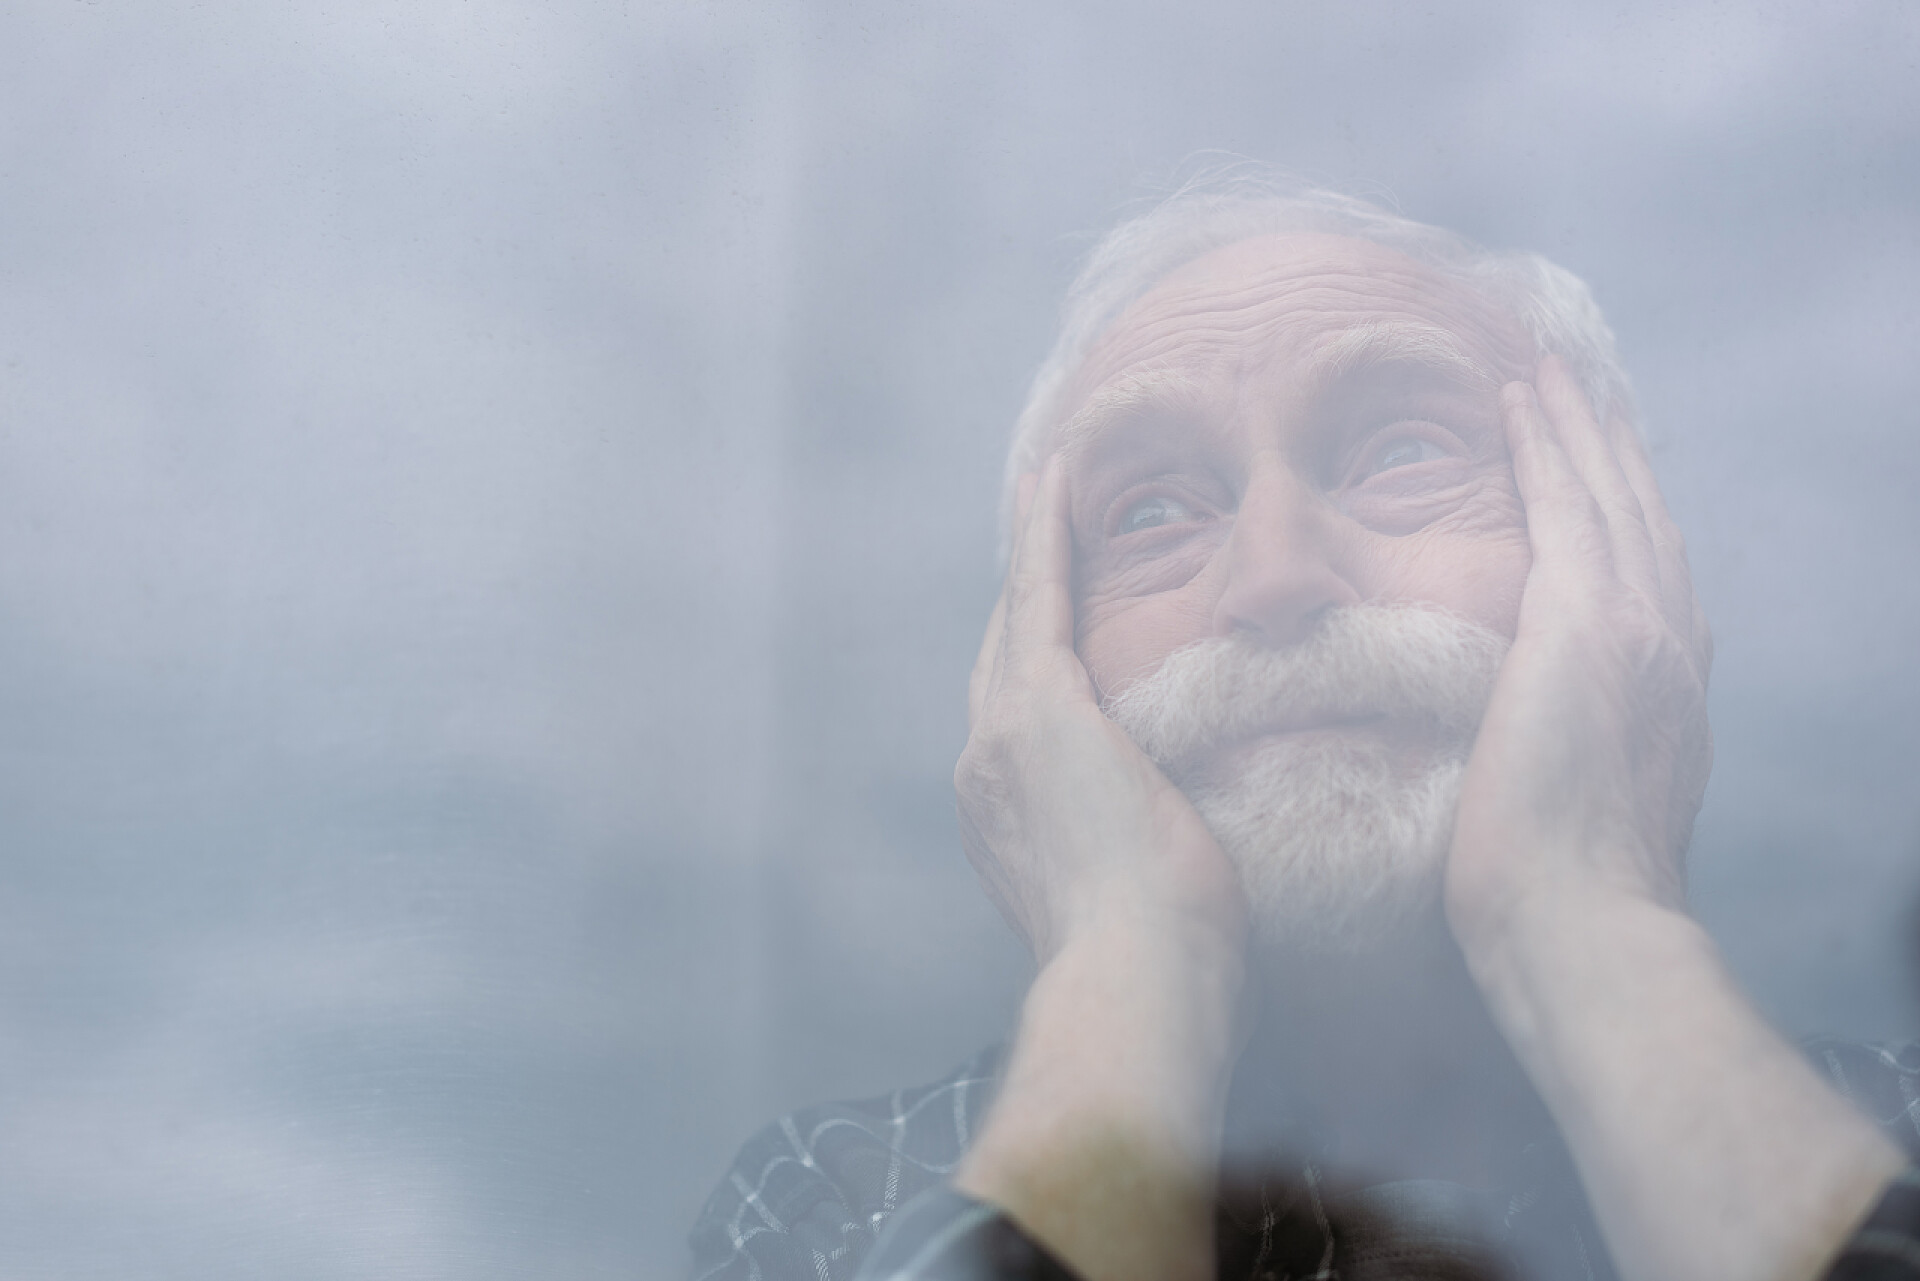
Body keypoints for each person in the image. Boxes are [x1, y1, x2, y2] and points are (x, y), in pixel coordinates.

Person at [689, 177, 1920, 1281]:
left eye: (1400, 450)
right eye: (1152, 509)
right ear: (1037, 659)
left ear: (1626, 556)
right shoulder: (842, 1200)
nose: (1272, 576)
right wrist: (1130, 954)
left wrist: (1587, 912)